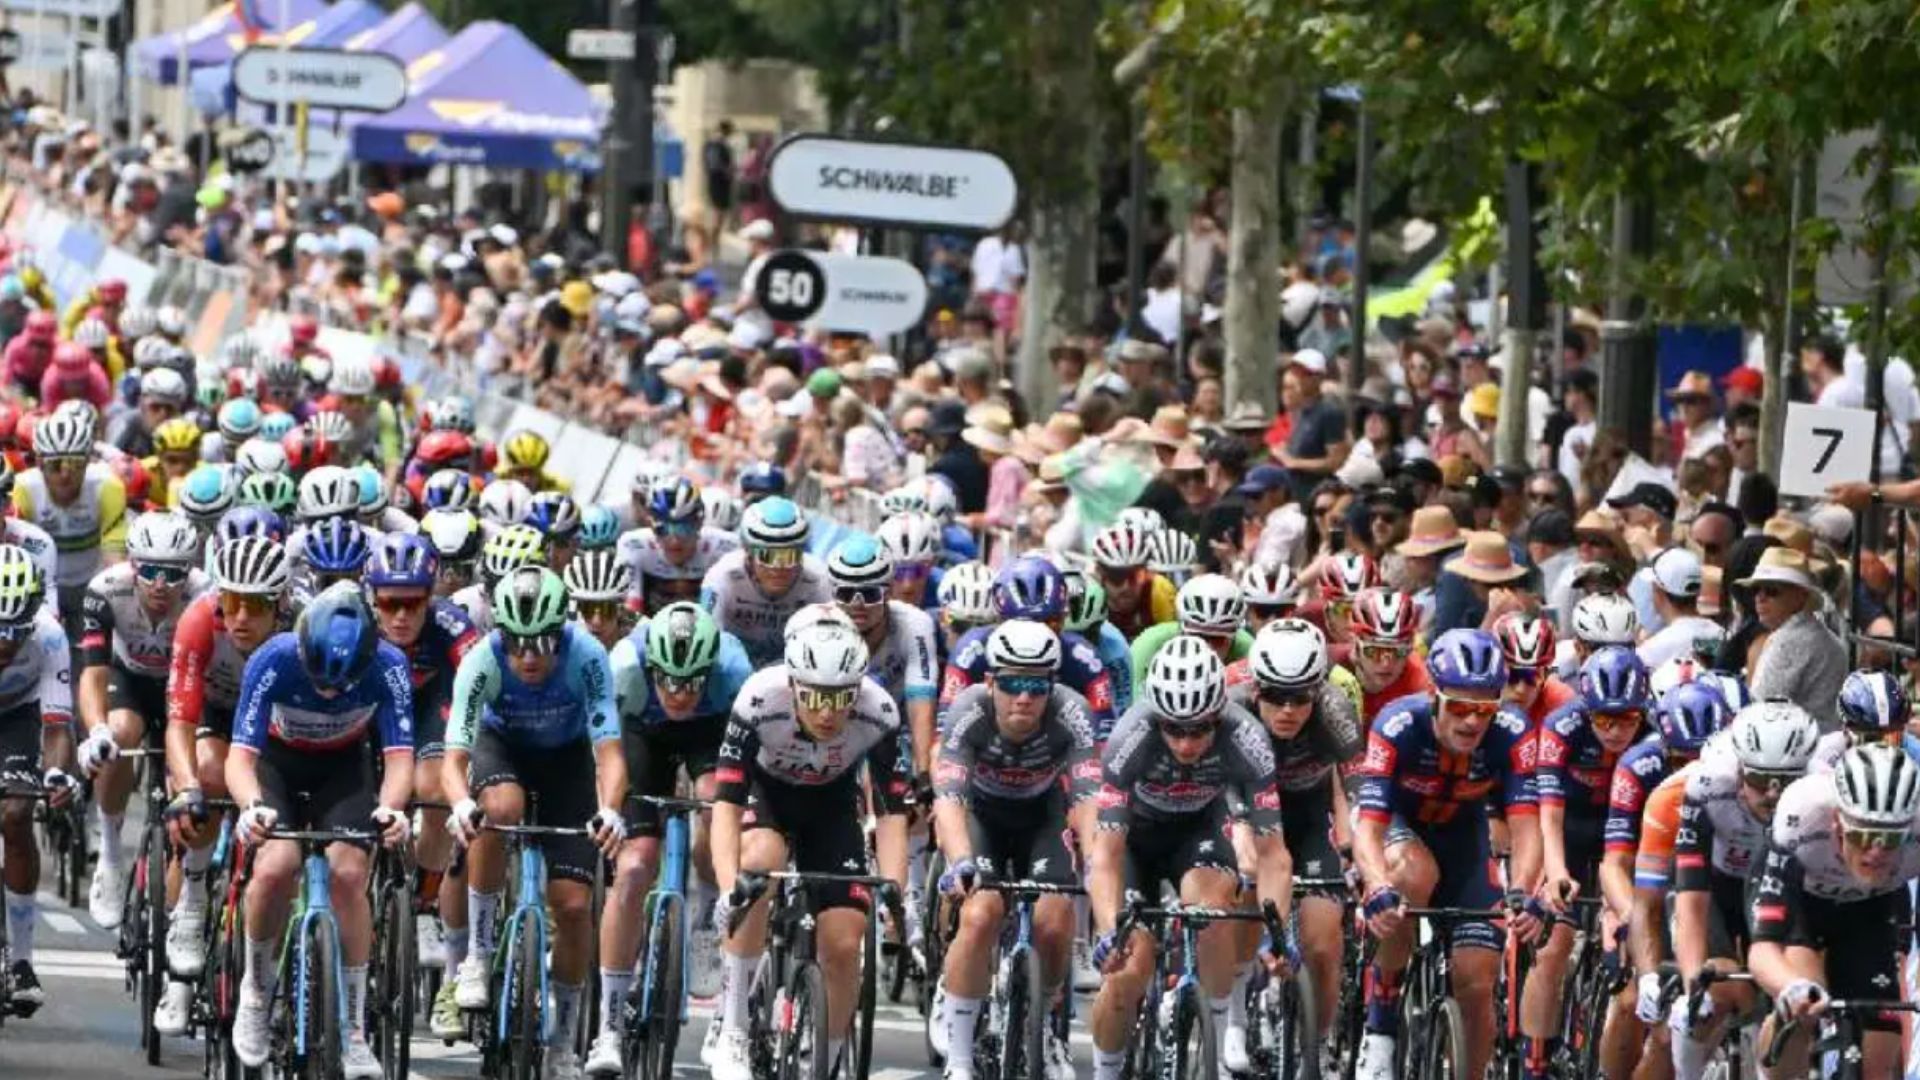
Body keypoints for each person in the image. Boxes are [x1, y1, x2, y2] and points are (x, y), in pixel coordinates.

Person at [224, 583, 416, 1079]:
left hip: (344, 768)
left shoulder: (390, 665)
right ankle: (256, 991)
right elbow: (240, 757)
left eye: (342, 684)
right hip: (277, 765)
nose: (329, 692)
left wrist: (391, 810)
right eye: (319, 679)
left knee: (349, 874)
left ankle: (353, 1026)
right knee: (275, 867)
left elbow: (399, 758)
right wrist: (251, 807)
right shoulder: (273, 658)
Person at [442, 567, 627, 1080]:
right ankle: (478, 955)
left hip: (567, 760)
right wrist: (461, 803)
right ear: (500, 634)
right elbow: (454, 758)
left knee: (573, 906)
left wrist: (611, 809)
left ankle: (563, 1040)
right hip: (502, 749)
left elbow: (610, 753)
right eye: (516, 643)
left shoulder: (587, 655)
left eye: (542, 643)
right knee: (499, 809)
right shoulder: (481, 659)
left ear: (561, 633)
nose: (528, 657)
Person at [707, 621, 910, 1080]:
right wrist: (726, 889)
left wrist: (896, 892)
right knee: (758, 865)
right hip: (768, 795)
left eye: (841, 698)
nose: (828, 712)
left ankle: (823, 1058)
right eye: (815, 697)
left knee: (845, 938)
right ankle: (734, 1028)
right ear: (793, 684)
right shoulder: (759, 699)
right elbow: (726, 805)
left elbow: (892, 813)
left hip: (831, 805)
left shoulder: (879, 711)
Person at [1086, 637, 1292, 1080]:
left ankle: (1213, 1043)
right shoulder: (1130, 736)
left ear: (1218, 716)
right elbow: (1104, 854)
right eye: (1174, 729)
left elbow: (1274, 854)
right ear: (1156, 717)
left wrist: (1276, 932)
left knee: (1214, 916)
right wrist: (1108, 931)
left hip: (1199, 832)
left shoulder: (1247, 737)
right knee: (1125, 972)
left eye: (1199, 730)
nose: (1185, 743)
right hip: (1135, 841)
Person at [1351, 629, 1542, 1080]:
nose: (1472, 721)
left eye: (1484, 709)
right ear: (1433, 696)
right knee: (1412, 874)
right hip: (1400, 826)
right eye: (1458, 707)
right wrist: (1376, 884)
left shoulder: (1513, 733)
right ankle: (1381, 1026)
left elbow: (1526, 828)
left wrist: (1521, 892)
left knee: (1477, 979)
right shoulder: (1397, 725)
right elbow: (1369, 827)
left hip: (1464, 839)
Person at [589, 602, 752, 1076]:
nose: (679, 694)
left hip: (710, 732)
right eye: (669, 681)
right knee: (635, 866)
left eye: (691, 682)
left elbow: (749, 754)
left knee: (714, 803)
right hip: (643, 733)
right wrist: (610, 810)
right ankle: (608, 1027)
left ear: (709, 671)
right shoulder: (624, 666)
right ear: (652, 668)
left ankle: (706, 919)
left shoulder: (733, 670)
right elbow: (604, 752)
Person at [932, 620, 1096, 1080]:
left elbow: (1088, 800)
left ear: (1052, 686)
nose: (1023, 697)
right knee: (980, 913)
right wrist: (960, 861)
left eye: (1036, 685)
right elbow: (949, 797)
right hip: (982, 815)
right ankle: (959, 1057)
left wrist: (1095, 861)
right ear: (990, 683)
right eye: (1011, 684)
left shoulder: (1073, 712)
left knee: (1055, 920)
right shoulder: (969, 710)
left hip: (1043, 816)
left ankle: (1043, 1024)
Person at [151, 535, 292, 1035]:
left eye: (256, 606)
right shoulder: (198, 620)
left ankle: (271, 971)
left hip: (278, 726)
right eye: (231, 602)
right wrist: (187, 787)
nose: (241, 618)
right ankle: (190, 910)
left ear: (281, 604)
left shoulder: (301, 628)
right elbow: (180, 722)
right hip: (216, 714)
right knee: (207, 778)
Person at [359, 533, 482, 1041]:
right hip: (370, 710)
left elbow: (480, 682)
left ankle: (427, 896)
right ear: (373, 598)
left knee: (432, 786)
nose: (401, 615)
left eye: (413, 603)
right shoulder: (354, 623)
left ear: (431, 596)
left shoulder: (453, 625)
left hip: (430, 706)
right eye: (390, 603)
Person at [1745, 744, 1920, 1080]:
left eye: (1889, 839)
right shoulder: (1802, 815)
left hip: (1870, 909)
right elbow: (1763, 949)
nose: (1875, 852)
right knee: (1805, 1002)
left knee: (1878, 1052)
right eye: (1863, 835)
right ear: (1837, 823)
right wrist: (1790, 987)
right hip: (1803, 906)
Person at [1666, 699, 1819, 1079]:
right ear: (1738, 770)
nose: (1772, 794)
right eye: (1759, 780)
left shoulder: (1823, 787)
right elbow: (1691, 895)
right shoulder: (1707, 783)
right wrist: (1693, 988)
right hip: (1718, 887)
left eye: (1786, 782)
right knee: (1713, 987)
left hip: (1782, 888)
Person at [1232, 619, 1362, 1061]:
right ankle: (1235, 1016)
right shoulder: (1233, 707)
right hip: (1245, 807)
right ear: (1256, 688)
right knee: (1246, 887)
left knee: (1323, 943)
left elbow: (1358, 788)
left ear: (1318, 691)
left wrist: (1356, 845)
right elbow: (1219, 786)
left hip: (1307, 816)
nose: (1287, 709)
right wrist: (1239, 829)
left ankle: (1317, 1046)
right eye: (1275, 696)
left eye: (1301, 697)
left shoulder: (1335, 709)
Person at [1521, 646, 1652, 1080]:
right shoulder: (1562, 726)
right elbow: (1549, 815)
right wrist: (1557, 872)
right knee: (1554, 945)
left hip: (1628, 835)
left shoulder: (1655, 734)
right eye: (1603, 720)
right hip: (1571, 827)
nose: (1615, 731)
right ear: (1586, 710)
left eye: (1627, 719)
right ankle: (1534, 1063)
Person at [74, 512, 209, 928]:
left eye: (173, 573)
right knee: (118, 735)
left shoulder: (207, 595)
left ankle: (184, 888)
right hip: (129, 680)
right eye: (149, 571)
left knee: (192, 772)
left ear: (189, 570)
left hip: (184, 686)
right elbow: (93, 674)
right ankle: (110, 853)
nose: (160, 584)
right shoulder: (105, 590)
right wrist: (96, 730)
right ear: (133, 565)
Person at [0, 545, 73, 1014]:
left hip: (18, 716)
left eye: (14, 630)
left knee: (16, 812)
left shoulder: (49, 636)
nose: (4, 644)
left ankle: (22, 961)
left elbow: (57, 726)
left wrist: (57, 773)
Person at [700, 496, 830, 668]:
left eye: (790, 557)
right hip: (735, 667)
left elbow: (832, 640)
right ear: (748, 554)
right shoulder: (722, 575)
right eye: (767, 556)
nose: (778, 568)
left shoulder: (818, 578)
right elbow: (705, 634)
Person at [617, 476, 739, 614]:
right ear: (650, 525)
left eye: (684, 528)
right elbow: (631, 608)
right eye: (663, 529)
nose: (674, 540)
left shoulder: (726, 547)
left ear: (700, 524)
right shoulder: (633, 546)